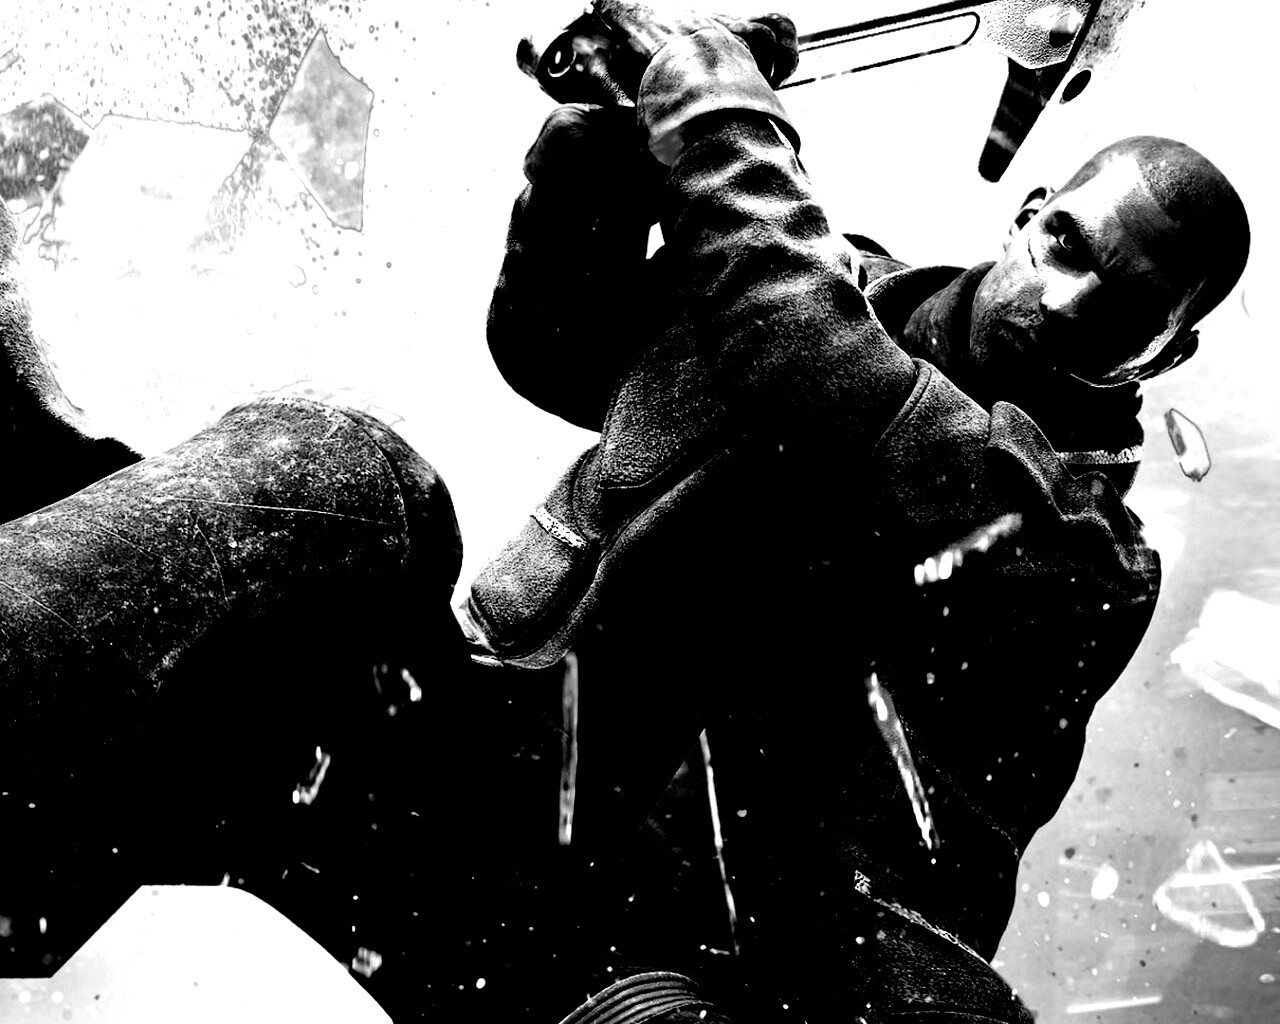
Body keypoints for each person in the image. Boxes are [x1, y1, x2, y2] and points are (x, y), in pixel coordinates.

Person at [459, 2, 1250, 1021]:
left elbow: (812, 365)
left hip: (750, 954)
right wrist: (608, 140)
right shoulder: (829, 283)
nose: (1061, 301)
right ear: (1027, 212)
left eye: (1126, 304)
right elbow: (553, 347)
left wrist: (701, 94)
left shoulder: (1080, 552)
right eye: (1063, 241)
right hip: (527, 769)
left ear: (1166, 354)